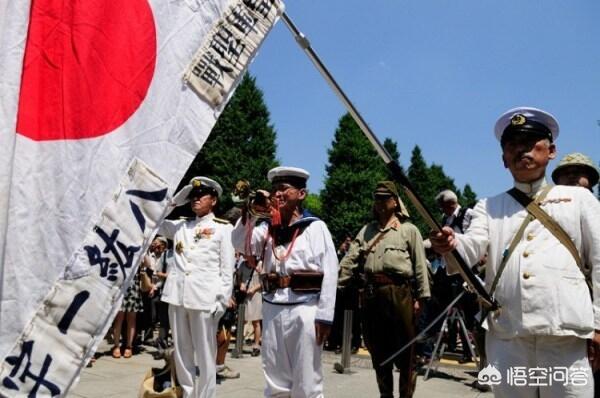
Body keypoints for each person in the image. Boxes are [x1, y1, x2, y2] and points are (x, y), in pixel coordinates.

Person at [430, 107, 600, 397]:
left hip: (564, 334)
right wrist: (452, 243)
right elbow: (471, 248)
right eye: (512, 145)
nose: (522, 150)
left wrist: (598, 324)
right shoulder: (489, 206)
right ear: (503, 160)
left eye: (532, 143)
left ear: (551, 151)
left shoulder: (580, 199)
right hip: (508, 335)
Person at [232, 166, 338, 398]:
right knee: (275, 379)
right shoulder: (266, 228)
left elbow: (331, 272)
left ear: (301, 194)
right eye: (274, 190)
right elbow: (241, 245)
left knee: (307, 381)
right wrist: (248, 213)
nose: (277, 194)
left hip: (305, 308)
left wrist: (325, 315)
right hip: (273, 307)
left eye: (284, 189)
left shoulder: (315, 227)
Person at [339, 181, 431, 398]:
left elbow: (420, 266)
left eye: (384, 198)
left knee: (406, 351)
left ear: (395, 202)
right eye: (377, 198)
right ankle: (385, 395)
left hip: (400, 293)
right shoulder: (367, 230)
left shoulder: (409, 230)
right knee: (378, 350)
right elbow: (350, 258)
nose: (380, 202)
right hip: (372, 294)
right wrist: (335, 283)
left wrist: (421, 298)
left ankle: (405, 395)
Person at [158, 176, 235, 398]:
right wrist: (174, 202)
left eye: (201, 196)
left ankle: (205, 395)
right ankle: (188, 393)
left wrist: (222, 300)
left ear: (214, 200)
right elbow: (152, 221)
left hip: (205, 298)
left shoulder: (223, 228)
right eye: (193, 196)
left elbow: (226, 268)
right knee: (181, 351)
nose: (195, 199)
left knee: (205, 353)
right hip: (177, 295)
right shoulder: (181, 225)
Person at [434, 189, 477, 364]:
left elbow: (473, 239)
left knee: (467, 313)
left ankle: (469, 350)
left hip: (466, 270)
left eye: (443, 206)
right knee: (449, 309)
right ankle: (449, 344)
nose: (442, 210)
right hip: (449, 270)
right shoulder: (445, 220)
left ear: (450, 204)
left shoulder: (468, 214)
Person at [112, 266, 143, 359]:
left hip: (133, 287)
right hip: (120, 286)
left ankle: (129, 346)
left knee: (131, 319)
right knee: (119, 318)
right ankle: (116, 345)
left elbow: (147, 263)